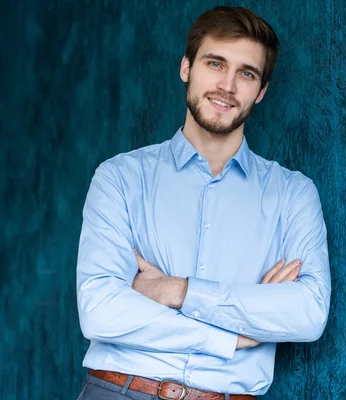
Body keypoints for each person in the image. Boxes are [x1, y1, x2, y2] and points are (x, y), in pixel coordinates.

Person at [76, 6, 331, 399]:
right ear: (186, 68)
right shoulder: (119, 179)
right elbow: (100, 311)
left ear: (261, 91)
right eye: (215, 63)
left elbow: (308, 314)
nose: (227, 86)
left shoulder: (293, 194)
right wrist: (233, 334)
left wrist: (178, 290)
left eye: (246, 73)